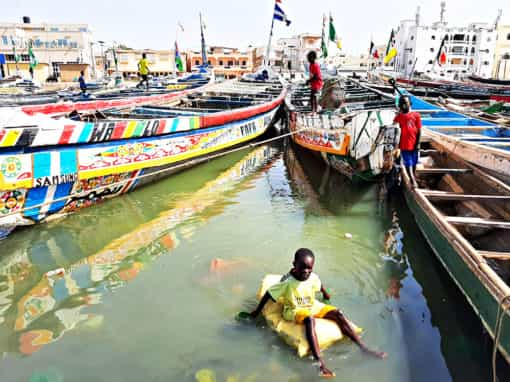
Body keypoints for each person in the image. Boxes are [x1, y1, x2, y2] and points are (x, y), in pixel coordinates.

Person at [250, 248, 386, 378]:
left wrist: (326, 296)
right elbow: (269, 293)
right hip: (294, 310)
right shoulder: (287, 283)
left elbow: (320, 286)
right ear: (294, 265)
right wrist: (256, 311)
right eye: (302, 267)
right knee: (310, 320)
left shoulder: (312, 277)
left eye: (309, 268)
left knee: (338, 313)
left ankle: (363, 348)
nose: (306, 271)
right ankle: (321, 363)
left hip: (311, 305)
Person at [393, 96, 422, 188]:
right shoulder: (399, 117)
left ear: (410, 104)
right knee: (408, 162)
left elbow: (419, 130)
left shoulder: (416, 115)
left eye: (406, 103)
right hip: (404, 143)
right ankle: (412, 180)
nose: (404, 105)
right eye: (402, 103)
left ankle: (412, 175)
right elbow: (394, 127)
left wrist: (418, 143)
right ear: (400, 106)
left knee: (414, 162)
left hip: (414, 142)